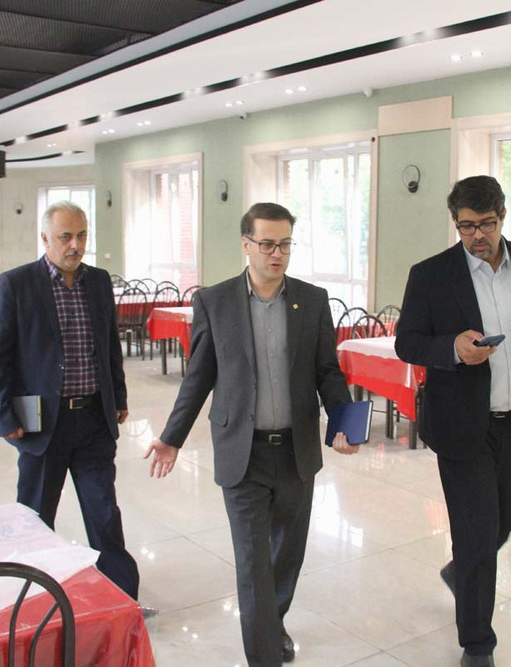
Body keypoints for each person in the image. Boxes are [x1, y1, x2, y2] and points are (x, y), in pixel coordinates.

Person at [144, 202, 358, 667]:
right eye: (267, 244)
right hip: (244, 452)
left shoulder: (312, 300)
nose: (276, 254)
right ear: (246, 244)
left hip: (297, 451)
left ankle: (271, 622)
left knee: (287, 555)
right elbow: (199, 376)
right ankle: (264, 655)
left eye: (285, 245)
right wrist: (172, 437)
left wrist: (345, 422)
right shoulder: (215, 302)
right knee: (252, 562)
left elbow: (327, 370)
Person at [394, 176, 511, 667]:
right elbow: (407, 342)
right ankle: (477, 644)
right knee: (476, 535)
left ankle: (463, 573)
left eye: (486, 224)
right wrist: (452, 348)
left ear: (503, 217)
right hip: (461, 425)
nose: (477, 236)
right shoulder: (431, 274)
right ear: (455, 223)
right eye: (466, 226)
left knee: (501, 522)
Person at [0, 200, 140, 600]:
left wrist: (118, 395)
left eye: (82, 235)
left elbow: (109, 345)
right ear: (45, 238)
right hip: (41, 423)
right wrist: (3, 416)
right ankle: (29, 597)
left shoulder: (98, 281)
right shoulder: (17, 284)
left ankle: (121, 597)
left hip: (93, 419)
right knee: (36, 515)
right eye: (66, 237)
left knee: (104, 512)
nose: (75, 245)